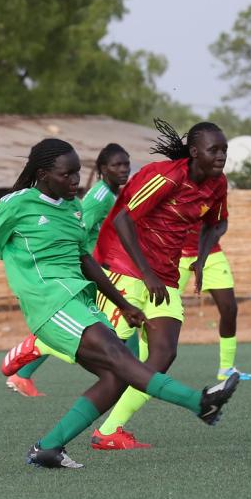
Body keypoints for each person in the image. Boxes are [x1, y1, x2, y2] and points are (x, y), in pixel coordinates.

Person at [0, 138, 239, 469]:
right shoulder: (17, 204)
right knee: (120, 359)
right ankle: (199, 402)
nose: (75, 181)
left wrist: (122, 304)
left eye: (77, 173)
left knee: (115, 376)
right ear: (43, 175)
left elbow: (85, 261)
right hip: (49, 302)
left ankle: (49, 448)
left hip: (81, 300)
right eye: (67, 174)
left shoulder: (74, 208)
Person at [87, 120, 231, 450]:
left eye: (224, 149)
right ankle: (37, 347)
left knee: (164, 353)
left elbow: (216, 224)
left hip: (164, 276)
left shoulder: (217, 184)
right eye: (214, 149)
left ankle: (109, 430)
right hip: (126, 268)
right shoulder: (166, 177)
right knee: (107, 355)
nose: (221, 155)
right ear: (194, 152)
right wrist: (147, 273)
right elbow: (122, 219)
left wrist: (201, 259)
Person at [2, 143, 131, 398]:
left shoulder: (112, 195)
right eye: (117, 165)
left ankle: (25, 370)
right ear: (103, 169)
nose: (123, 169)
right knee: (112, 334)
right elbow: (78, 233)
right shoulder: (99, 197)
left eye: (126, 164)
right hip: (88, 272)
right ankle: (32, 351)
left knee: (113, 332)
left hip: (103, 270)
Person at [177, 225, 249, 381]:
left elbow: (221, 224)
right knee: (159, 308)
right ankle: (144, 366)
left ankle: (226, 368)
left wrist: (204, 250)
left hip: (211, 253)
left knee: (229, 308)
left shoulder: (214, 205)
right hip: (176, 252)